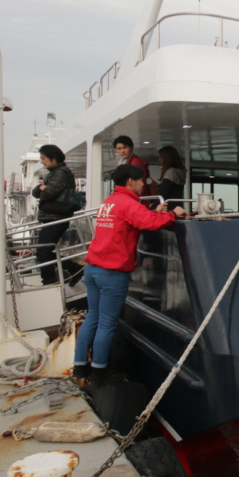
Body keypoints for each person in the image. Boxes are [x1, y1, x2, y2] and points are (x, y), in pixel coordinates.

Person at [74, 164, 186, 384]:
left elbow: (134, 220)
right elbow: (150, 223)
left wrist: (154, 212)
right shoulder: (128, 203)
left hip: (93, 269)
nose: (144, 183)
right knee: (107, 323)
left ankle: (79, 367)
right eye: (141, 180)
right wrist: (174, 214)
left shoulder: (109, 202)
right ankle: (99, 372)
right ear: (130, 182)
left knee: (92, 319)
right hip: (112, 273)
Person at [30, 144, 82, 285]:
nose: (42, 161)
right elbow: (36, 192)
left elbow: (47, 193)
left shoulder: (60, 173)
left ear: (53, 159)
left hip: (57, 218)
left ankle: (49, 282)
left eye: (43, 158)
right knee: (44, 252)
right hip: (53, 218)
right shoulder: (54, 173)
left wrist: (43, 189)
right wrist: (41, 188)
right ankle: (74, 268)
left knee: (43, 252)